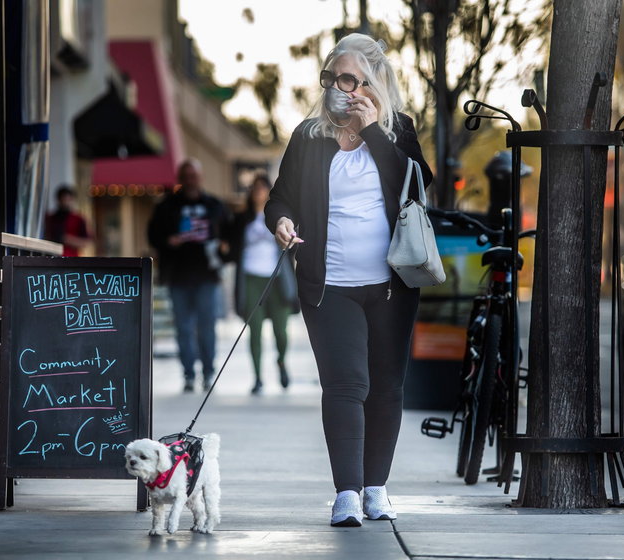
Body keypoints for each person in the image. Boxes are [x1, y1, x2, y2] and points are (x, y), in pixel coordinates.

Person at [264, 33, 432, 527]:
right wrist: (281, 222)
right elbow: (280, 197)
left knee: (385, 386)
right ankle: (346, 494)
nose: (339, 88)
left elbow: (417, 184)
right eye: (332, 78)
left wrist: (374, 129)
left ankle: (376, 488)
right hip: (328, 284)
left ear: (373, 81)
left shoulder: (398, 130)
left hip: (391, 285)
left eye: (349, 78)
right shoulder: (308, 137)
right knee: (345, 385)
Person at [148, 159, 229, 393]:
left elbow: (229, 234)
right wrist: (168, 241)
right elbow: (153, 236)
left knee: (207, 326)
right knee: (183, 328)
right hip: (178, 276)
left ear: (200, 177)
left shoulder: (214, 205)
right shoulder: (166, 206)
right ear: (180, 179)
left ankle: (208, 371)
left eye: (194, 175)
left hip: (207, 275)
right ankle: (188, 374)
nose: (191, 180)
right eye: (186, 176)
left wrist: (223, 249)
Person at [226, 173, 299, 395]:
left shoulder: (281, 217)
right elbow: (231, 245)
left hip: (277, 278)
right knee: (254, 330)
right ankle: (257, 377)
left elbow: (293, 248)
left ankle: (281, 362)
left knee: (281, 330)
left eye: (263, 187)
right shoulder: (242, 218)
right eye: (255, 188)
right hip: (250, 277)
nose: (258, 191)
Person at [44, 185, 92, 256]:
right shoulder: (49, 218)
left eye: (68, 200)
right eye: (63, 200)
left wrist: (66, 239)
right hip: (52, 256)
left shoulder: (79, 219)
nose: (65, 203)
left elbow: (86, 242)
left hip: (71, 258)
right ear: (58, 200)